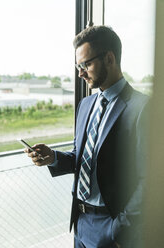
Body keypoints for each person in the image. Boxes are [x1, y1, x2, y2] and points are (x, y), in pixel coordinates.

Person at [25, 25, 149, 248]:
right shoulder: (86, 105)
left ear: (109, 58)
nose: (80, 73)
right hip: (80, 223)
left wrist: (121, 228)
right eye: (77, 66)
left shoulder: (143, 108)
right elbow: (82, 158)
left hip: (112, 227)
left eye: (86, 64)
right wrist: (52, 157)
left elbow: (150, 180)